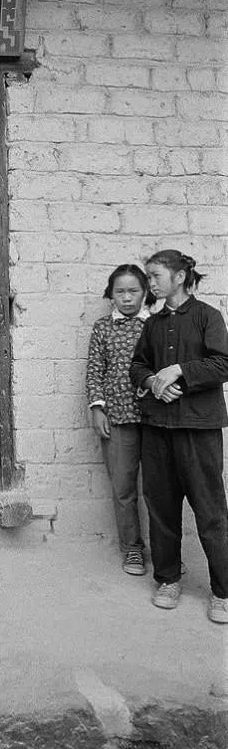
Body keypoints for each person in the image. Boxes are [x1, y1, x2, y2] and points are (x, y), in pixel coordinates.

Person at [129, 250, 228, 623]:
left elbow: (224, 363)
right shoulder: (152, 325)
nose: (150, 283)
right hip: (157, 430)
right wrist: (154, 380)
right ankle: (168, 579)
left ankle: (223, 592)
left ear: (181, 277)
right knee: (162, 508)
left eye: (155, 276)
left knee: (211, 512)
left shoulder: (207, 317)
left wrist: (178, 371)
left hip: (198, 431)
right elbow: (138, 366)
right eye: (148, 277)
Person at [86, 264, 151, 576]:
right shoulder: (102, 328)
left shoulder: (155, 325)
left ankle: (166, 551)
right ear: (110, 295)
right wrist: (98, 408)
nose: (127, 298)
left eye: (133, 291)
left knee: (158, 489)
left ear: (145, 292)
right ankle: (133, 548)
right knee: (123, 488)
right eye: (120, 292)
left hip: (155, 421)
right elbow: (94, 370)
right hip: (117, 419)